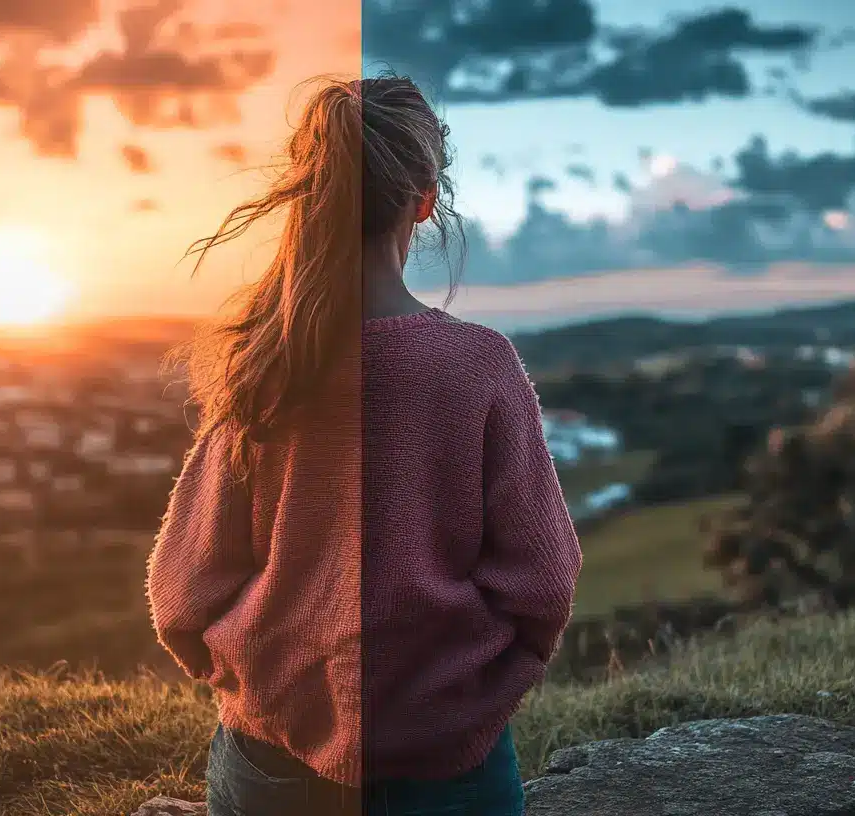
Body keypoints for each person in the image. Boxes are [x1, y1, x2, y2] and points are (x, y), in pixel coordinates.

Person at [146, 74, 582, 816]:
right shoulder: (479, 365)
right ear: (424, 200)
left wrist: (258, 680)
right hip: (448, 766)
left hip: (271, 763)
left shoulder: (267, 363)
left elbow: (184, 589)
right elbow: (542, 582)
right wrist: (469, 695)